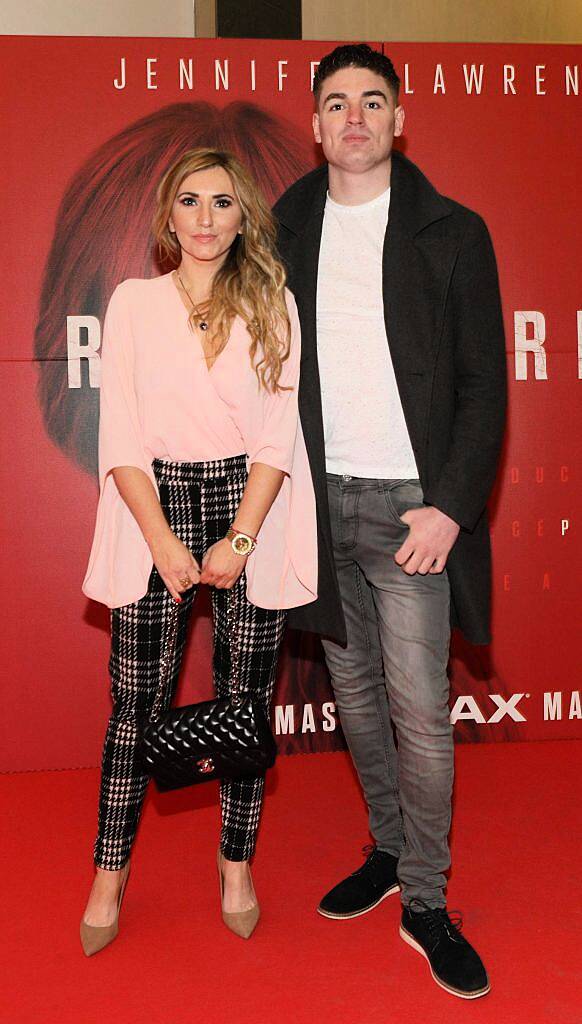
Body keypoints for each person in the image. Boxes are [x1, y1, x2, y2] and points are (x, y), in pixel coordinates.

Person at [275, 44, 506, 999]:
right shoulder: (283, 225)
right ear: (318, 123)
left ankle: (424, 898)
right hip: (317, 501)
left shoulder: (454, 231)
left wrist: (451, 505)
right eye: (338, 103)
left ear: (400, 118)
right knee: (356, 700)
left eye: (374, 101)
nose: (356, 118)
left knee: (420, 711)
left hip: (414, 506)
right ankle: (385, 848)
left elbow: (485, 384)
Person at [80, 147, 317, 955]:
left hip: (251, 501)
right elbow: (119, 434)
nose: (207, 218)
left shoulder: (273, 299)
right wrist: (163, 543)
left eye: (223, 201)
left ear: (243, 214)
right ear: (168, 216)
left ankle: (236, 864)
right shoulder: (134, 302)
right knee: (133, 705)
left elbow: (278, 437)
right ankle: (109, 874)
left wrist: (241, 540)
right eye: (191, 201)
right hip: (155, 503)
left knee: (243, 703)